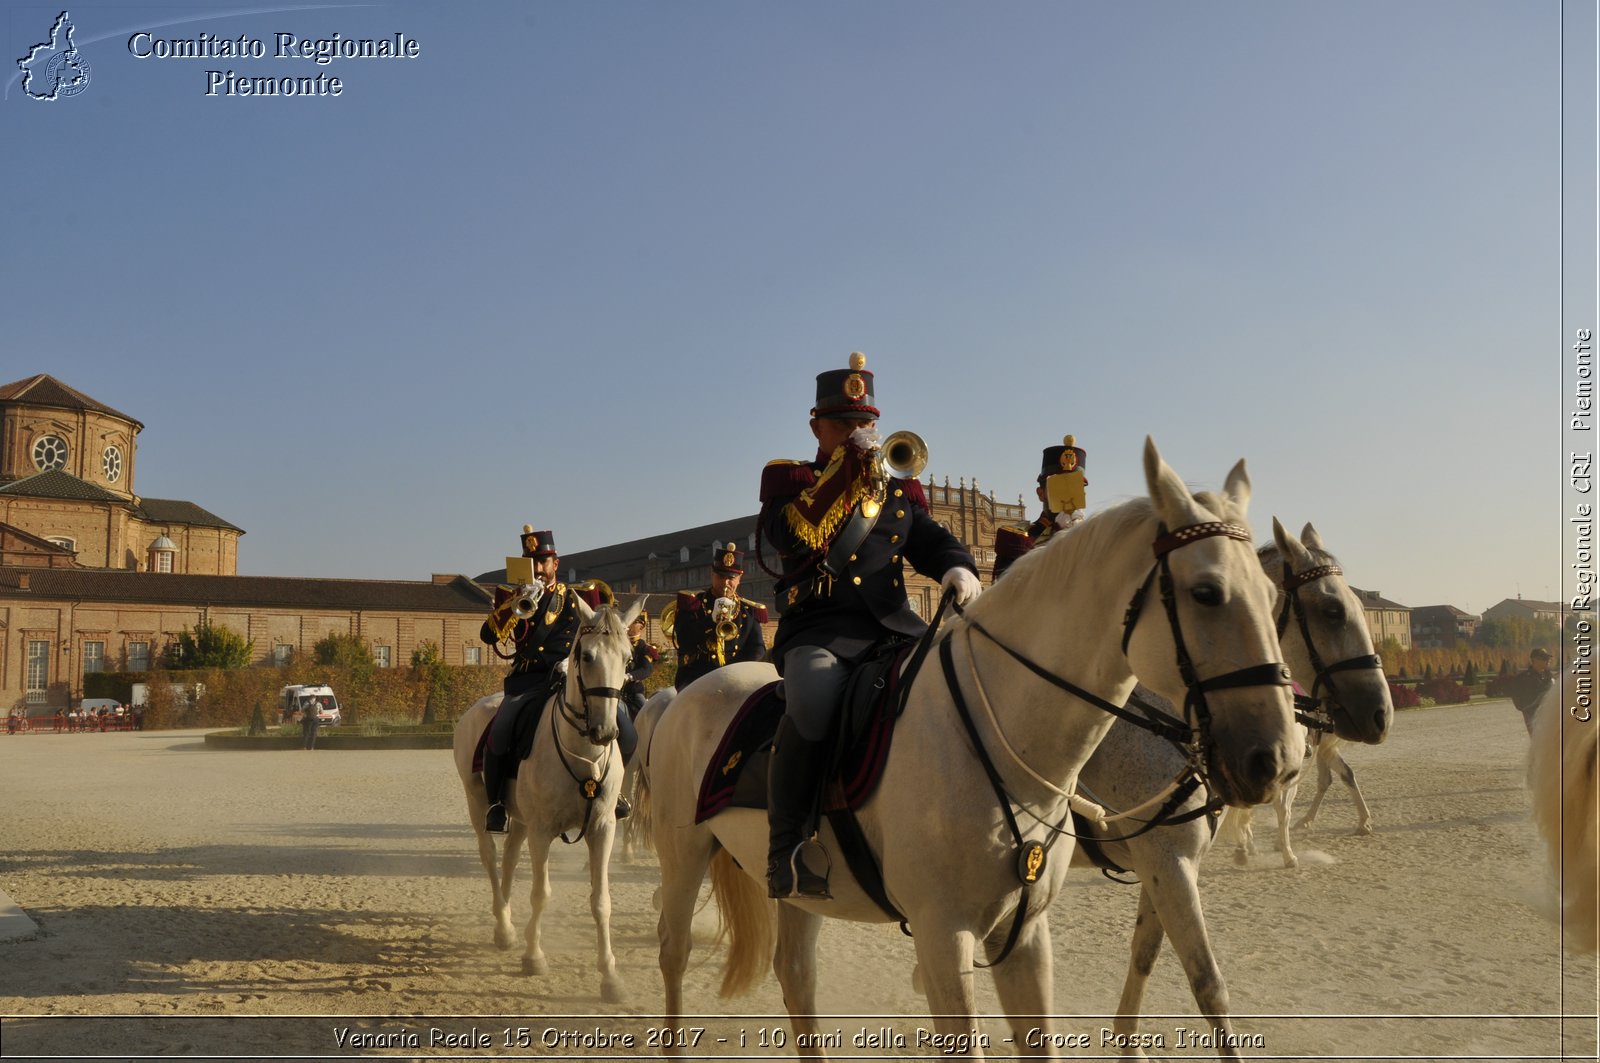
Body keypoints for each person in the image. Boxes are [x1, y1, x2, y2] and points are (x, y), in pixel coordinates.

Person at [757, 351, 983, 898]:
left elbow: (926, 538)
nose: (859, 433)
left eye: (867, 424)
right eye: (845, 424)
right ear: (817, 426)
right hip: (820, 628)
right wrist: (844, 475)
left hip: (894, 625)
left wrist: (957, 567)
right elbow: (788, 538)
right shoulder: (790, 479)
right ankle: (786, 845)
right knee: (811, 699)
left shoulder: (897, 486)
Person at [479, 525, 582, 834]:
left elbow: (582, 636)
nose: (539, 568)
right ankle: (496, 804)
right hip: (527, 680)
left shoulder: (571, 599)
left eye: (544, 561)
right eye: (532, 562)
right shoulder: (515, 598)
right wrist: (515, 605)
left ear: (555, 564)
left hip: (564, 679)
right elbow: (487, 636)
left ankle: (612, 793)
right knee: (500, 730)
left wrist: (567, 663)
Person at [670, 545, 768, 691]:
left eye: (731, 578)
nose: (725, 583)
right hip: (696, 677)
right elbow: (683, 641)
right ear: (712, 575)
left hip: (737, 678)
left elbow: (757, 648)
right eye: (720, 576)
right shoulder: (693, 604)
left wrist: (738, 672)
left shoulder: (748, 611)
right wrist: (711, 621)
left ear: (739, 579)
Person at [992, 434, 1088, 581]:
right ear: (1041, 493)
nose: (1067, 496)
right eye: (1059, 487)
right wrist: (1058, 532)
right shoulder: (1017, 537)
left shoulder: (1093, 537)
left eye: (1074, 488)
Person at [622, 609, 660, 718]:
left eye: (633, 622)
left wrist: (629, 676)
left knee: (647, 715)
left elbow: (646, 670)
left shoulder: (645, 649)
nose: (628, 624)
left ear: (641, 627)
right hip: (616, 690)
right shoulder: (618, 645)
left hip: (633, 692)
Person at [1510, 647, 1555, 734]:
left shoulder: (1548, 676)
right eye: (1544, 658)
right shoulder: (1524, 678)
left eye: (1548, 658)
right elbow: (1521, 700)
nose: (1548, 660)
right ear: (1535, 660)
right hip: (1533, 715)